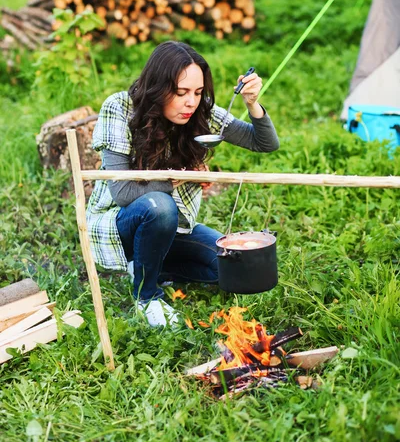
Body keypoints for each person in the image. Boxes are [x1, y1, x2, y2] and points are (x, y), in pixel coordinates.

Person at [87, 41, 279, 327]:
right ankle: (147, 296)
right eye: (181, 93)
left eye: (198, 92)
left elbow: (264, 143)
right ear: (158, 87)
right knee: (160, 206)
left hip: (175, 226)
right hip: (122, 223)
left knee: (229, 269)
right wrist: (177, 177)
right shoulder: (120, 107)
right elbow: (124, 192)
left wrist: (252, 103)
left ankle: (147, 265)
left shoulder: (200, 113)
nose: (191, 102)